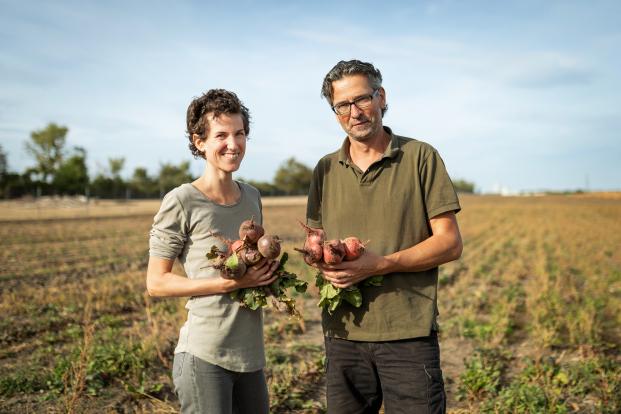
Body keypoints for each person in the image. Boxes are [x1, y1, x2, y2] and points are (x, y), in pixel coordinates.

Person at [306, 60, 463, 414]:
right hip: (343, 334)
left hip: (406, 333)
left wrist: (380, 265)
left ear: (381, 97)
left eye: (361, 99)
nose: (354, 112)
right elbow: (316, 241)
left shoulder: (420, 157)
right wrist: (315, 258)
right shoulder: (325, 169)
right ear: (335, 112)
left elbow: (450, 243)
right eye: (342, 105)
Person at [146, 89, 279, 414]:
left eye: (240, 134)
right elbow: (157, 283)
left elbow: (249, 260)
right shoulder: (181, 201)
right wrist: (228, 284)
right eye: (221, 135)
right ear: (200, 141)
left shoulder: (252, 197)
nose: (233, 144)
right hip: (205, 355)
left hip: (250, 357)